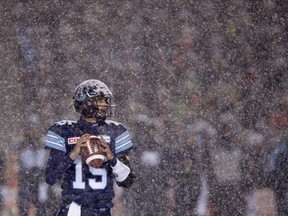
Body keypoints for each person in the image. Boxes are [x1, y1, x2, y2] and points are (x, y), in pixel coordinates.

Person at [44, 79, 136, 216]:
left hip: (102, 210)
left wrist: (112, 158)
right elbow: (51, 177)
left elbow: (127, 181)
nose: (105, 104)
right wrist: (73, 153)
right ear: (85, 103)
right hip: (72, 210)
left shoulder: (115, 132)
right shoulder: (64, 131)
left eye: (105, 100)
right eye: (100, 100)